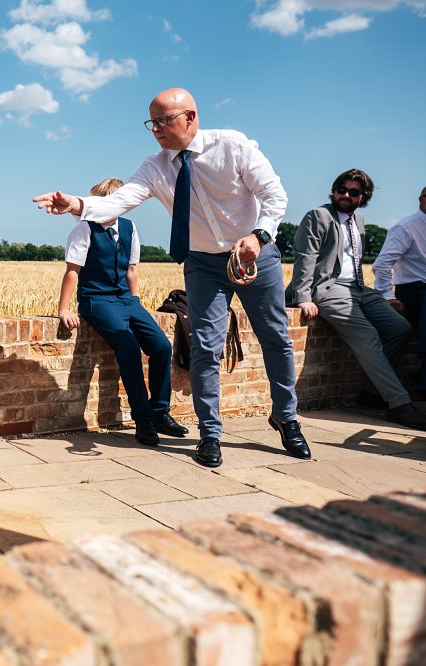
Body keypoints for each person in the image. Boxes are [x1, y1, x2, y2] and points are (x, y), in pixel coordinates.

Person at [33, 87, 310, 468]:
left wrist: (259, 235)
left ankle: (286, 417)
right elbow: (119, 200)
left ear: (190, 117)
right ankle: (210, 434)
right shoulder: (155, 167)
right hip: (202, 265)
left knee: (275, 338)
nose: (157, 129)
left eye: (165, 120)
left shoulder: (233, 147)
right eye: (153, 122)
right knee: (206, 347)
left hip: (254, 255)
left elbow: (274, 194)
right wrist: (77, 205)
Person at [286, 170, 425, 429]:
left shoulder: (359, 219)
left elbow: (356, 262)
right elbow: (305, 257)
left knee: (400, 328)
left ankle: (371, 393)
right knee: (368, 336)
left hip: (359, 288)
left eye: (353, 192)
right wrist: (303, 297)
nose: (345, 195)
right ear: (334, 190)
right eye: (341, 189)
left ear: (364, 197)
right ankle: (399, 405)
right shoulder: (319, 216)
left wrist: (385, 295)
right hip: (328, 289)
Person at [57, 177, 189, 445]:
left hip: (127, 300)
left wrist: (135, 302)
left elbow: (131, 269)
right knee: (127, 348)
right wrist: (64, 309)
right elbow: (73, 271)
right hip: (97, 300)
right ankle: (143, 420)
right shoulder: (84, 229)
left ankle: (160, 412)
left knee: (162, 347)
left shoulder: (129, 228)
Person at [373, 185, 426, 399]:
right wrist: (387, 296)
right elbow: (382, 264)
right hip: (414, 289)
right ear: (421, 199)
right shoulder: (407, 226)